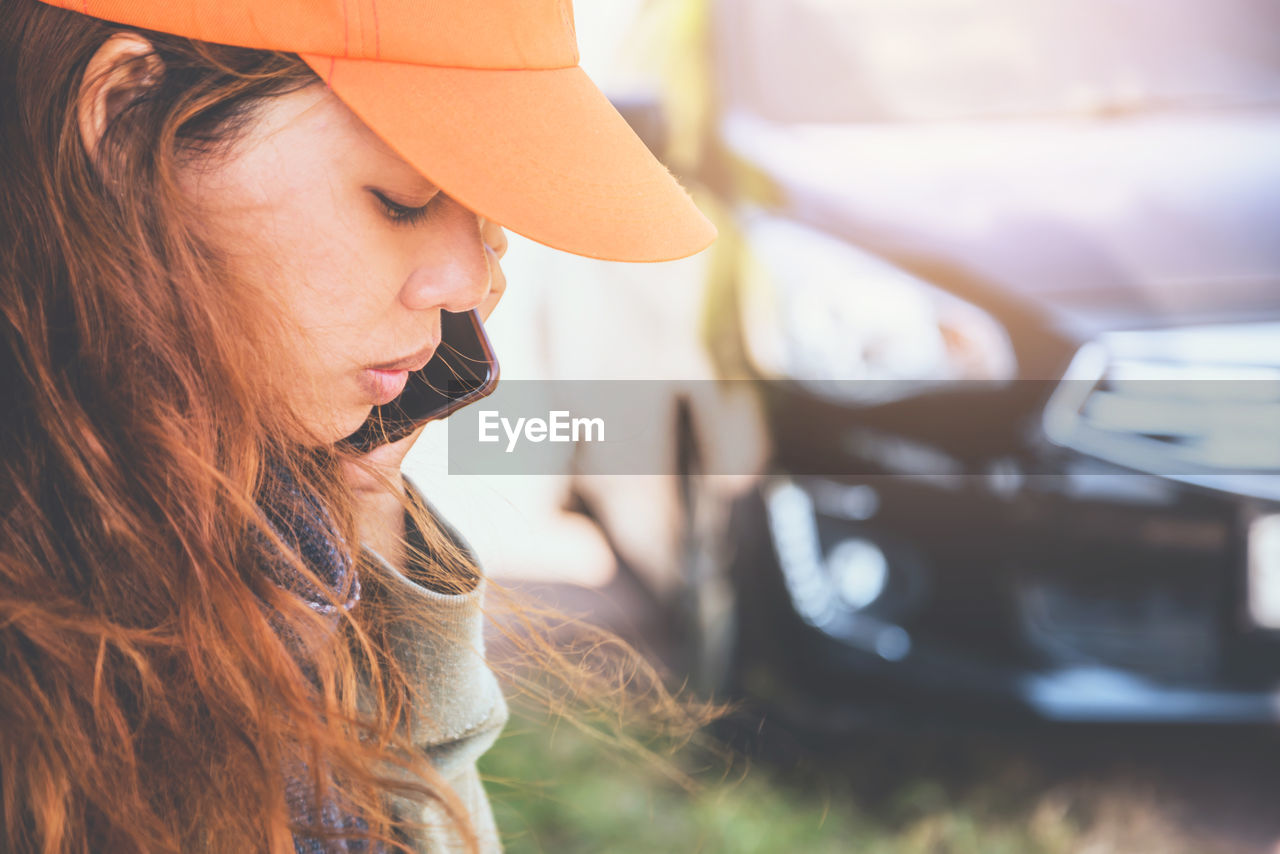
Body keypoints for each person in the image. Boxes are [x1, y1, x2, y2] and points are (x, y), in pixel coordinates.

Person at [0, 0, 716, 851]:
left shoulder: (268, 503)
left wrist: (364, 514)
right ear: (124, 115)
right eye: (401, 201)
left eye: (487, 217)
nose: (473, 283)